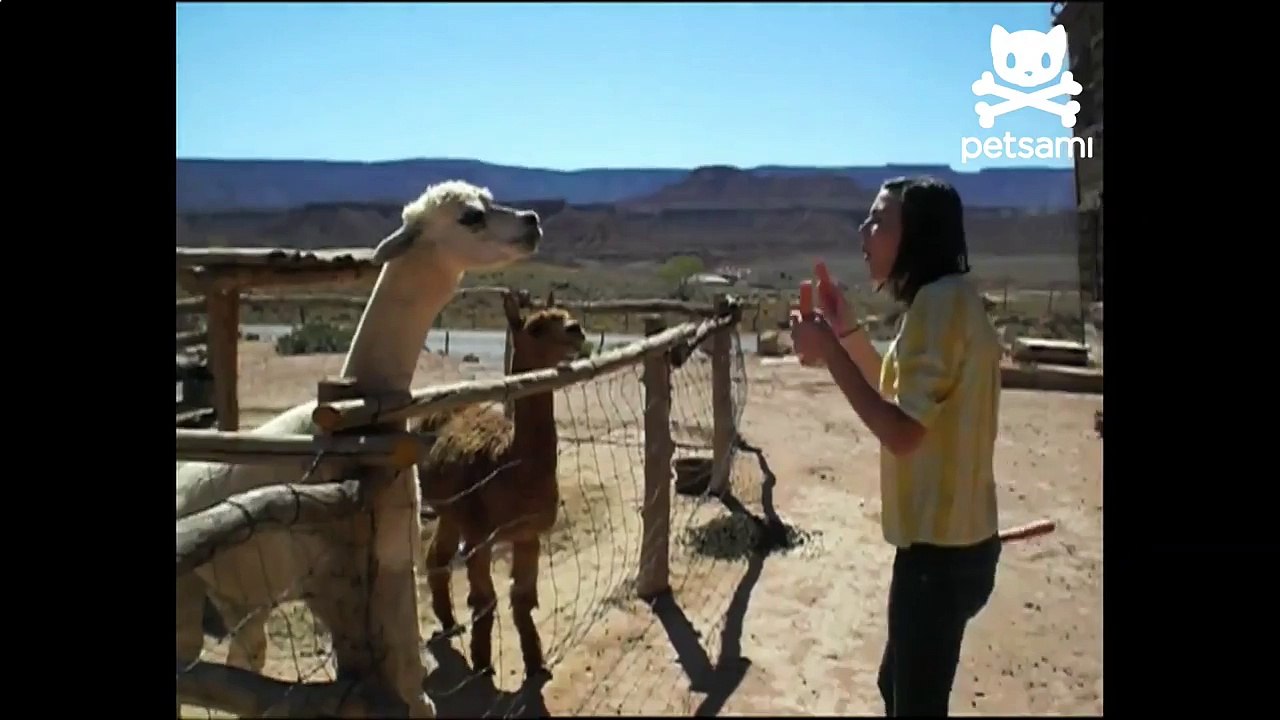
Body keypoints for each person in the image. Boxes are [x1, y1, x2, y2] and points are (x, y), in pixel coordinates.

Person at [789, 175, 1003, 716]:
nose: (864, 230)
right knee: (897, 689)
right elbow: (896, 390)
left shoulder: (939, 305)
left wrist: (828, 355)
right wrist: (843, 331)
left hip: (939, 559)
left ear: (917, 235)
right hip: (951, 549)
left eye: (879, 220)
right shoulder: (946, 299)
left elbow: (903, 433)